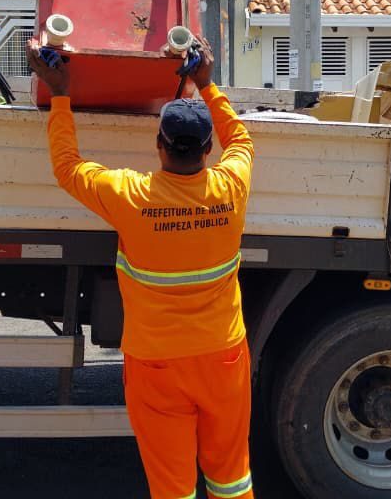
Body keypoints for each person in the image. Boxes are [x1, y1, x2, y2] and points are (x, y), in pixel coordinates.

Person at [27, 37, 254, 499]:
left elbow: (68, 168)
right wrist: (207, 86)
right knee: (232, 478)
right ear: (208, 149)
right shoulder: (232, 187)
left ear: (158, 145)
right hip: (223, 358)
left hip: (157, 365)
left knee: (173, 488)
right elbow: (242, 140)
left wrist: (61, 92)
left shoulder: (131, 197)